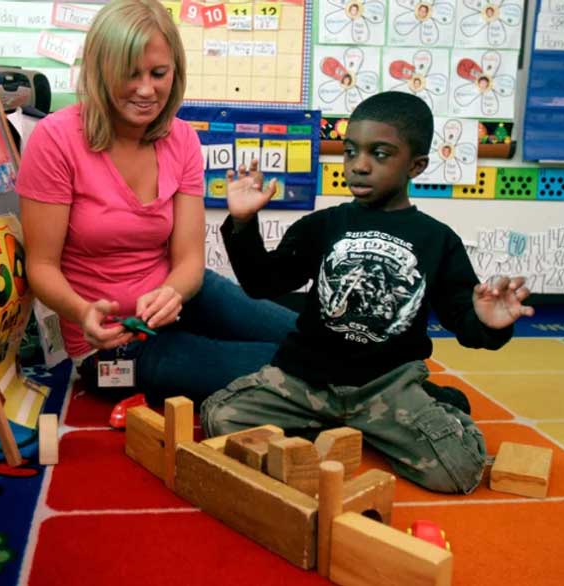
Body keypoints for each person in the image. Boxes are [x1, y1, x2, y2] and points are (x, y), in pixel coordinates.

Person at [201, 92, 534, 494]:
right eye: (350, 152)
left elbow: (463, 322)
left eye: (380, 154)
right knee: (220, 418)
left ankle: (431, 403)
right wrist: (243, 223)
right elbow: (263, 284)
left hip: (386, 385)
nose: (359, 166)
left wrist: (487, 322)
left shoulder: (437, 241)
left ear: (416, 165)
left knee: (459, 470)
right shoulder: (321, 225)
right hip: (308, 381)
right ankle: (348, 423)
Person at [15, 0, 296, 404]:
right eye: (130, 75)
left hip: (182, 300)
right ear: (100, 71)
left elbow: (188, 263)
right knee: (289, 368)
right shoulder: (55, 139)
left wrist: (173, 293)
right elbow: (41, 266)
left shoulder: (182, 138)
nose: (147, 90)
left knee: (314, 341)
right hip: (112, 344)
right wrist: (82, 313)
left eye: (159, 73)